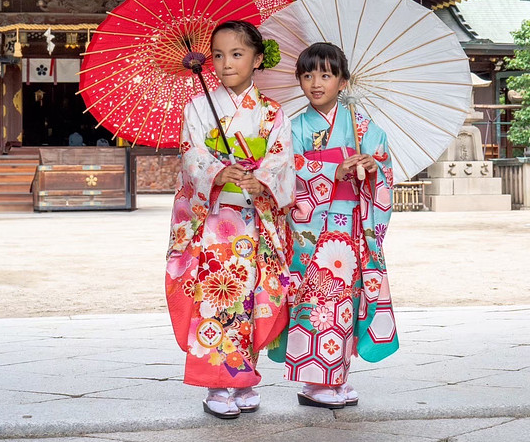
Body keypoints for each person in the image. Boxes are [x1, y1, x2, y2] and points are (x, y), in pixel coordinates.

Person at [166, 21, 295, 419]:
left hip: (253, 218)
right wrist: (218, 173)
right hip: (213, 223)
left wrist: (261, 182)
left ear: (258, 59)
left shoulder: (273, 112)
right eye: (218, 55)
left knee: (253, 295)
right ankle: (218, 383)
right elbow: (191, 155)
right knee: (218, 296)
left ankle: (244, 374)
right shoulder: (198, 107)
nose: (225, 64)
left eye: (237, 54)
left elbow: (281, 161)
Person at [267, 42, 399, 408]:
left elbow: (384, 165)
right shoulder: (293, 128)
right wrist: (329, 169)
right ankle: (314, 382)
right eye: (307, 75)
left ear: (343, 81)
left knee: (345, 302)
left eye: (326, 75)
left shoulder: (362, 125)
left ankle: (336, 376)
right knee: (316, 301)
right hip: (311, 230)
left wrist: (372, 168)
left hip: (351, 224)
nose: (316, 83)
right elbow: (283, 171)